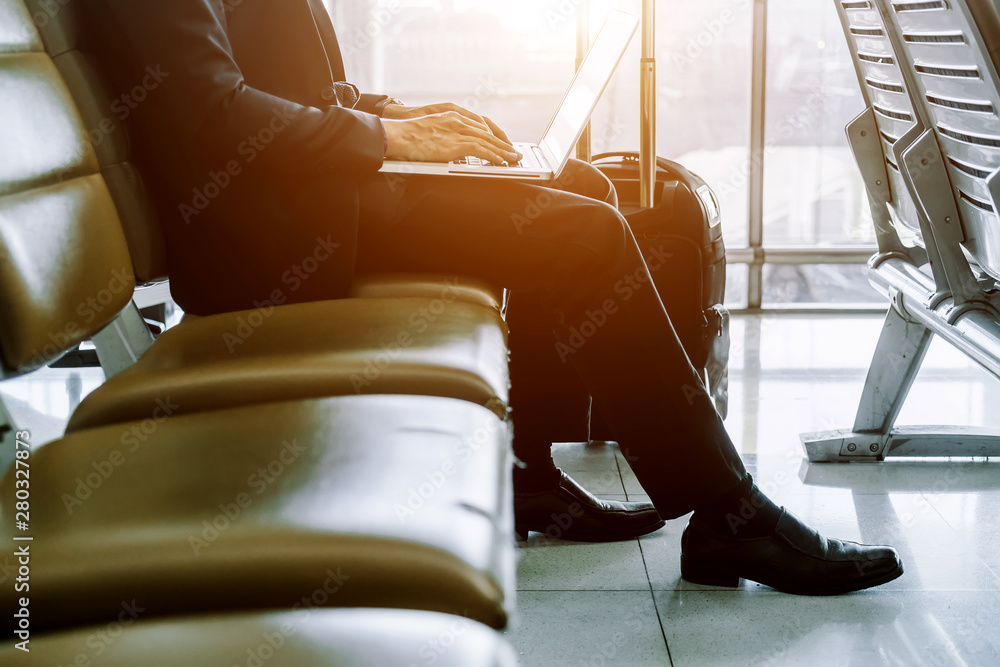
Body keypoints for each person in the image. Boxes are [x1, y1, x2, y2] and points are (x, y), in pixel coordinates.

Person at [85, 0, 904, 594]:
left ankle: (533, 477)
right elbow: (209, 115)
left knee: (574, 183)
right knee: (581, 233)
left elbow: (293, 87)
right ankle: (729, 516)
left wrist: (397, 114)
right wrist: (388, 139)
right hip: (269, 236)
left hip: (302, 200)